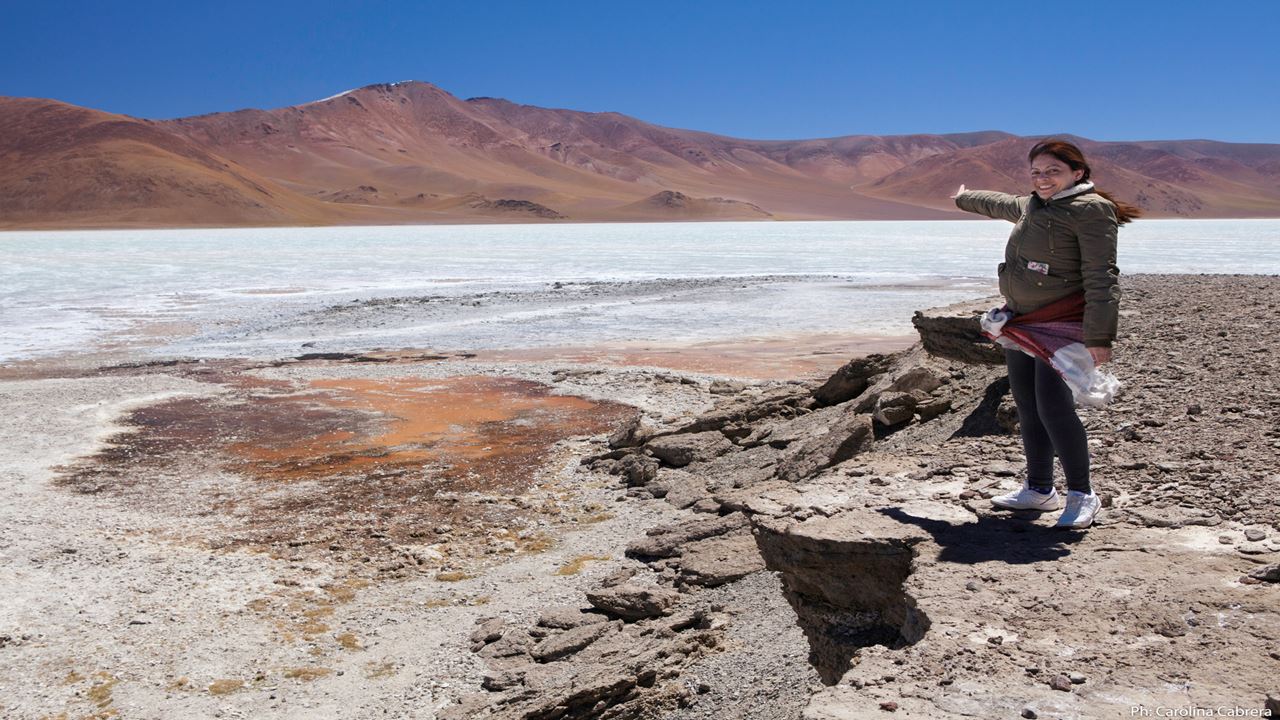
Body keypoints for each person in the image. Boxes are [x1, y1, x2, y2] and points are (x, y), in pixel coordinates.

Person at [951, 139, 1142, 529]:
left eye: (1052, 171)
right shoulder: (1034, 205)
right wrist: (964, 198)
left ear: (1078, 173)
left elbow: (1102, 277)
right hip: (1022, 320)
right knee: (1027, 403)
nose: (1042, 179)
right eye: (1036, 172)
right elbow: (999, 203)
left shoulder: (1091, 210)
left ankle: (1082, 494)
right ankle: (1039, 489)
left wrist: (1099, 337)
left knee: (1054, 407)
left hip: (1062, 322)